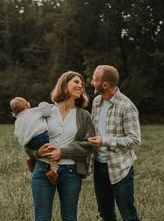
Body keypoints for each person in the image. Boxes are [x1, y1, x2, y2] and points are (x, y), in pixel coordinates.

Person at [25, 71, 95, 221]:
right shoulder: (45, 111)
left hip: (71, 172)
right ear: (64, 84)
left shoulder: (84, 115)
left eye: (82, 84)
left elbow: (89, 145)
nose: (80, 86)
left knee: (70, 218)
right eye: (76, 82)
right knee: (41, 218)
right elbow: (27, 144)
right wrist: (38, 153)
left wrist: (61, 152)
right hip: (43, 169)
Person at [88, 65, 141, 221]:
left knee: (128, 215)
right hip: (99, 165)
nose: (92, 82)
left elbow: (134, 139)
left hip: (120, 168)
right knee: (106, 215)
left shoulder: (127, 106)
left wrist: (104, 141)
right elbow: (94, 129)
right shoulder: (97, 101)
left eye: (95, 79)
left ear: (104, 85)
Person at [10, 97, 58, 185]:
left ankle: (32, 159)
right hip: (41, 137)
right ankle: (53, 170)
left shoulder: (17, 121)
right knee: (52, 151)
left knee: (36, 149)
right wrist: (44, 104)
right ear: (28, 105)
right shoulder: (33, 111)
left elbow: (17, 134)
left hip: (28, 142)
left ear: (14, 113)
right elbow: (47, 112)